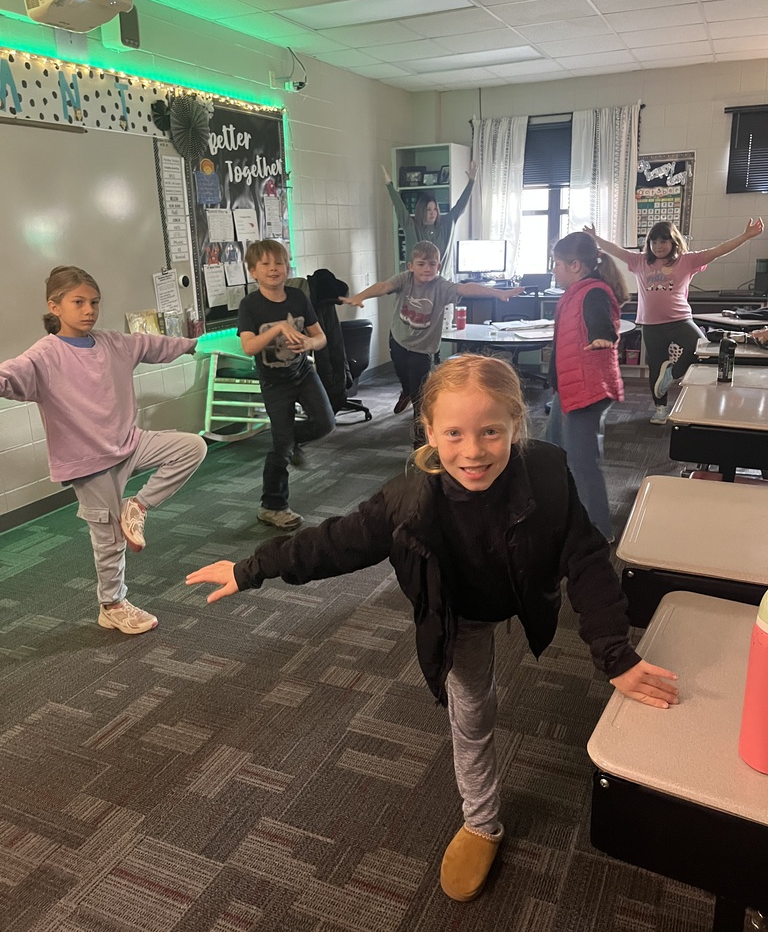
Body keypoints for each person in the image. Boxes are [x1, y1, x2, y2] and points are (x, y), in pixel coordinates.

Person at [186, 354, 679, 905]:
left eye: (491, 431)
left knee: (517, 671)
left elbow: (586, 558)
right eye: (454, 434)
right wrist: (250, 568)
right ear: (428, 431)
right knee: (472, 710)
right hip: (456, 611)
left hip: (521, 585)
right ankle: (481, 822)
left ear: (516, 424)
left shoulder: (545, 473)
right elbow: (334, 543)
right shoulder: (408, 500)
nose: (473, 452)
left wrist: (614, 653)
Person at [0, 266, 207, 635]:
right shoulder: (44, 355)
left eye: (94, 302)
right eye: (78, 302)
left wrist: (197, 344)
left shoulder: (113, 343)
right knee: (110, 539)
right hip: (88, 462)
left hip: (129, 443)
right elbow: (10, 375)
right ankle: (112, 605)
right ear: (54, 307)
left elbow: (155, 345)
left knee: (191, 446)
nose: (89, 310)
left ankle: (137, 506)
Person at [340, 241, 522, 440]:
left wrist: (497, 292)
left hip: (423, 349)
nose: (427, 268)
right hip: (398, 339)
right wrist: (361, 296)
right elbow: (384, 286)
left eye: (432, 264)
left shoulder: (441, 286)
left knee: (420, 395)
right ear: (411, 266)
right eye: (421, 264)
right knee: (403, 376)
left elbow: (465, 288)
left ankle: (419, 439)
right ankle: (406, 391)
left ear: (439, 266)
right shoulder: (404, 279)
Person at [588, 218, 764, 423]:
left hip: (680, 320)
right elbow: (616, 250)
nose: (658, 246)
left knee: (700, 348)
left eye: (663, 241)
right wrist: (595, 238)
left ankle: (673, 373)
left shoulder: (685, 261)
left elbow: (718, 251)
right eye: (654, 241)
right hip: (651, 324)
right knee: (656, 366)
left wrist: (746, 236)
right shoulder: (640, 261)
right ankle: (660, 409)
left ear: (673, 242)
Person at [238, 238, 335, 531]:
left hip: (303, 373)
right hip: (274, 383)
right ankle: (272, 506)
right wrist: (280, 327)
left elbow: (321, 337)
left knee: (325, 423)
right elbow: (249, 347)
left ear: (287, 267)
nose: (274, 269)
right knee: (281, 446)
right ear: (253, 271)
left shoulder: (298, 297)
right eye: (265, 264)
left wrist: (309, 342)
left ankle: (292, 442)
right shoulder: (250, 305)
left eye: (279, 263)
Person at [543, 232, 628, 542]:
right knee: (552, 448)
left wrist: (602, 335)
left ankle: (598, 533)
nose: (554, 270)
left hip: (586, 391)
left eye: (557, 264)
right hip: (570, 387)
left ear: (575, 265)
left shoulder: (593, 292)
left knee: (583, 462)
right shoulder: (576, 291)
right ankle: (565, 512)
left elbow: (599, 319)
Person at [383, 162, 477, 272]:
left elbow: (460, 206)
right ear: (421, 210)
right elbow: (400, 208)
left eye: (435, 209)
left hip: (441, 280)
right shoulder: (412, 226)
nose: (433, 213)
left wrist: (471, 182)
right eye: (428, 210)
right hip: (417, 280)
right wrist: (389, 185)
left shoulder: (446, 224)